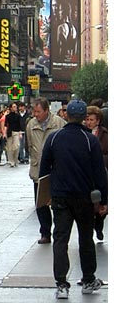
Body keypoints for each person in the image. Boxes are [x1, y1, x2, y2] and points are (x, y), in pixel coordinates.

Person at [39, 99, 108, 299]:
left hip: (60, 197)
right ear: (83, 118)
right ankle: (88, 280)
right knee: (85, 238)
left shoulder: (54, 138)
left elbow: (45, 170)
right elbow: (99, 173)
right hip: (84, 198)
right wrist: (103, 200)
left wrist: (45, 196)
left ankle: (61, 284)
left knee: (60, 239)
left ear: (67, 115)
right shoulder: (90, 140)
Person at [26, 98, 66, 244]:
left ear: (46, 111)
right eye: (34, 112)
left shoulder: (59, 123)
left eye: (38, 112)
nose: (35, 115)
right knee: (41, 203)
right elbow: (29, 145)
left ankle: (59, 232)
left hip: (56, 170)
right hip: (38, 170)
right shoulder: (31, 124)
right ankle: (45, 232)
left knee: (57, 203)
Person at [85, 105, 108, 240]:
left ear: (98, 121)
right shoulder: (83, 134)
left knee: (100, 200)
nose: (89, 122)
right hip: (87, 174)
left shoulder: (105, 135)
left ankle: (99, 226)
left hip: (101, 172)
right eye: (87, 119)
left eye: (91, 120)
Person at [4, 102, 21, 167]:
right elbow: (6, 125)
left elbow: (19, 125)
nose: (15, 108)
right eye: (14, 107)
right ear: (11, 108)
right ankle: (11, 161)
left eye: (16, 107)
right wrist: (4, 133)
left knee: (16, 146)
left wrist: (20, 133)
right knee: (9, 147)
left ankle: (15, 159)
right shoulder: (7, 116)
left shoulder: (18, 116)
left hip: (16, 132)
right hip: (9, 132)